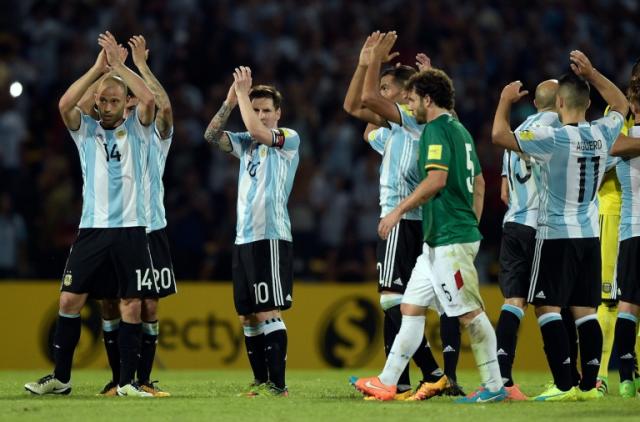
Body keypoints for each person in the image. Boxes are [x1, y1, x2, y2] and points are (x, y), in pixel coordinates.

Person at [352, 68, 505, 403]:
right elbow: (478, 182)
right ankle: (387, 381)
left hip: (449, 237)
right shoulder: (460, 129)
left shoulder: (435, 129)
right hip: (440, 238)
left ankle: (495, 385)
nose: (409, 104)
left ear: (428, 99)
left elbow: (436, 180)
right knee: (410, 306)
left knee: (468, 313)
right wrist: (472, 226)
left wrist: (397, 211)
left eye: (413, 98)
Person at [24, 31, 157, 397]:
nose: (110, 105)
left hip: (131, 228)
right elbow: (66, 105)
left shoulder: (140, 129)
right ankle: (61, 378)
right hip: (93, 229)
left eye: (116, 100)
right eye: (104, 101)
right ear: (97, 104)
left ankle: (128, 382)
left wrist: (122, 69)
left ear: (124, 103)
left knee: (130, 304)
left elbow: (148, 98)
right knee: (69, 299)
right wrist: (99, 69)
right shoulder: (87, 133)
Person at [491, 50, 628, 401]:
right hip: (590, 233)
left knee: (547, 308)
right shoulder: (603, 132)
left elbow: (499, 137)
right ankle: (590, 383)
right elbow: (621, 104)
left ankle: (565, 382)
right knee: (585, 311)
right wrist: (593, 72)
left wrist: (505, 102)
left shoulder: (551, 138)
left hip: (552, 232)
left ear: (561, 102)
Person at [343, 32, 452, 400]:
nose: (381, 93)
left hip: (404, 221)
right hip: (412, 222)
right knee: (403, 300)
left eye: (388, 88)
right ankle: (399, 381)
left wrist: (371, 59)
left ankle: (434, 372)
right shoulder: (395, 132)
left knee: (392, 299)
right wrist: (363, 65)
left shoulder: (415, 122)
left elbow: (367, 99)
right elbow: (355, 108)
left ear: (407, 95)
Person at [204, 67, 300, 397]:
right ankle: (260, 382)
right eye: (256, 109)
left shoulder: (287, 138)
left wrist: (244, 97)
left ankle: (279, 385)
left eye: (266, 110)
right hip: (243, 238)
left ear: (278, 114)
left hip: (269, 235)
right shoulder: (245, 144)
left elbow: (258, 132)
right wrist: (230, 102)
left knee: (266, 309)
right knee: (247, 316)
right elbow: (212, 136)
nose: (260, 115)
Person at [95, 35, 176, 397]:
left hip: (150, 226)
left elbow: (165, 109)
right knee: (110, 300)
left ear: (131, 97)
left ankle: (143, 378)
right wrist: (108, 68)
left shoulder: (151, 130)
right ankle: (118, 378)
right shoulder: (105, 131)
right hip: (114, 226)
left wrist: (137, 66)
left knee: (148, 303)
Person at [496, 79, 561, 400]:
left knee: (514, 302)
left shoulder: (517, 129)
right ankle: (564, 381)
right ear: (561, 101)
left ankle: (502, 381)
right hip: (542, 225)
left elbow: (504, 190)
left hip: (513, 224)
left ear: (535, 103)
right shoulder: (559, 130)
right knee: (548, 304)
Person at [595, 59, 640, 395]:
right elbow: (602, 155)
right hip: (614, 211)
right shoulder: (617, 113)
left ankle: (628, 372)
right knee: (610, 298)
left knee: (625, 301)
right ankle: (601, 375)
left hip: (627, 215)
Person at [609, 77, 640, 398]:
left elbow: (605, 152)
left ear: (632, 106)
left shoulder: (621, 142)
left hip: (631, 231)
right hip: (630, 231)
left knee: (627, 306)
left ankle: (627, 379)